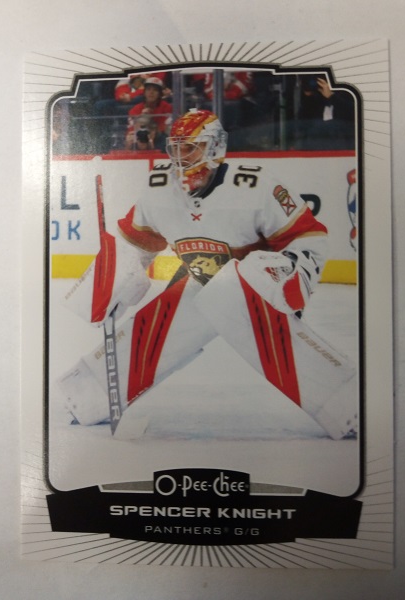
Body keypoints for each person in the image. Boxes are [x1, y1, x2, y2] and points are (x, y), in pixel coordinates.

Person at [59, 109, 358, 440]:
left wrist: (287, 274)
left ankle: (346, 403)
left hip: (258, 288)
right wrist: (109, 282)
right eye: (176, 148)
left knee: (235, 285)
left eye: (191, 148)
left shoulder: (255, 185)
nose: (181, 157)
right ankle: (88, 394)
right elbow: (133, 243)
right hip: (202, 281)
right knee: (164, 319)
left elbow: (308, 237)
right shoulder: (159, 188)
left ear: (215, 148)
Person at [124, 77, 173, 150]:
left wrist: (153, 130)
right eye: (148, 89)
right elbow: (131, 130)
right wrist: (142, 119)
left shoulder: (167, 107)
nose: (151, 92)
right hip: (140, 138)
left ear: (160, 93)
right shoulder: (135, 109)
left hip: (159, 138)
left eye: (155, 90)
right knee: (130, 139)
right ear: (144, 92)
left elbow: (167, 128)